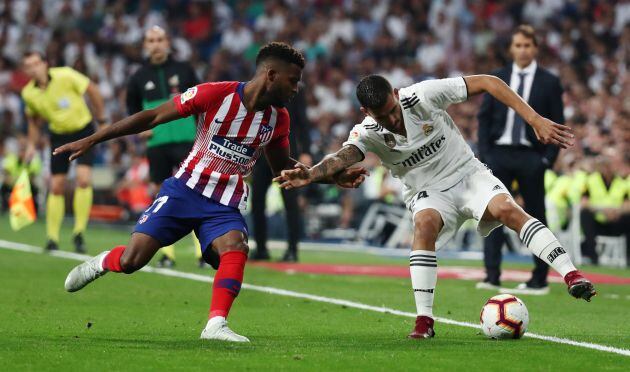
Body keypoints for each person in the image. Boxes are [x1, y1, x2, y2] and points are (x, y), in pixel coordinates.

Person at [56, 43, 365, 342]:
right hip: (184, 191)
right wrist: (92, 140)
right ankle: (102, 262)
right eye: (293, 80)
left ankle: (216, 324)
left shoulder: (278, 119)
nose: (296, 88)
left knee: (236, 247)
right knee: (132, 261)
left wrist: (329, 176)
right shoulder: (215, 94)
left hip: (224, 203)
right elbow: (151, 117)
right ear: (271, 75)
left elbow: (282, 167)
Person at [274, 74, 596, 340]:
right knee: (424, 225)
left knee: (508, 211)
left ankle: (571, 275)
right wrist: (313, 174)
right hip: (427, 191)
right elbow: (341, 157)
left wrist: (534, 119)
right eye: (382, 115)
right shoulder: (368, 132)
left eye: (392, 108)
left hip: (467, 173)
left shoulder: (422, 96)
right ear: (366, 111)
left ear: (397, 94)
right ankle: (424, 321)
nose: (392, 118)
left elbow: (488, 82)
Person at [476, 25, 565, 294]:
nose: (523, 50)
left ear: (535, 48)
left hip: (531, 156)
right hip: (498, 154)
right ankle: (492, 275)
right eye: (518, 45)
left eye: (527, 45)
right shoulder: (497, 77)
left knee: (537, 216)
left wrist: (546, 160)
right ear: (511, 49)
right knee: (491, 214)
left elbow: (558, 121)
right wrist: (485, 156)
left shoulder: (549, 81)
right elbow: (484, 119)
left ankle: (540, 279)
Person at [127, 26, 201, 268]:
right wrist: (140, 129)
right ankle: (168, 254)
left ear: (167, 41)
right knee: (162, 196)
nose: (156, 44)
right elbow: (133, 111)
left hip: (186, 139)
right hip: (157, 144)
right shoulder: (138, 77)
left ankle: (203, 252)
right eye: (151, 40)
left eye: (160, 39)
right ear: (145, 45)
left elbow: (202, 102)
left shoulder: (184, 69)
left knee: (196, 193)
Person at [21, 51, 107, 253]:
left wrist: (102, 120)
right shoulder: (28, 93)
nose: (34, 68)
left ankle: (79, 233)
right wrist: (31, 145)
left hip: (83, 132)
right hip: (58, 136)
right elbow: (33, 120)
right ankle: (52, 237)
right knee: (56, 185)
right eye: (29, 65)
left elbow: (92, 89)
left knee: (83, 179)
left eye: (36, 63)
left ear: (45, 63)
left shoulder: (66, 75)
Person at [249, 88, 311, 262]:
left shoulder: (294, 91)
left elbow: (302, 121)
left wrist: (306, 150)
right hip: (262, 153)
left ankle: (292, 249)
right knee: (257, 201)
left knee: (290, 202)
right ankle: (261, 248)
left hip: (286, 153)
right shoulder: (261, 90)